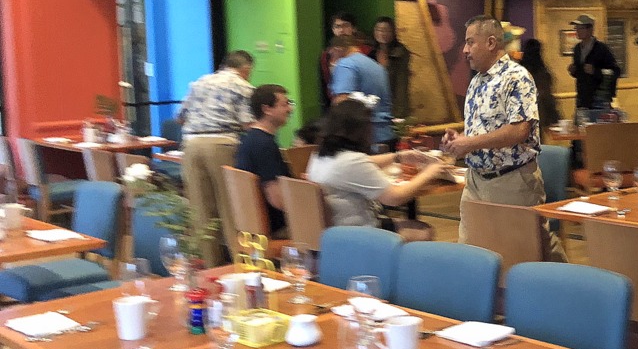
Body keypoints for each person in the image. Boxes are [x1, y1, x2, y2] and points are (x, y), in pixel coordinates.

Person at [442, 16, 566, 262]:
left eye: (470, 42)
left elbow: (519, 130)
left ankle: (567, 282)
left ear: (490, 43)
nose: (465, 50)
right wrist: (460, 139)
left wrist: (469, 143)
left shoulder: (516, 77)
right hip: (475, 182)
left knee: (524, 256)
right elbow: (483, 130)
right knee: (471, 254)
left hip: (511, 180)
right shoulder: (477, 81)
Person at [307, 100, 448, 228]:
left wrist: (398, 157)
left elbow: (364, 162)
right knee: (423, 230)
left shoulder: (319, 155)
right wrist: (429, 173)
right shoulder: (352, 161)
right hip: (359, 232)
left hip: (333, 230)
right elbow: (395, 198)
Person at [179, 50, 255, 266]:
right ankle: (239, 266)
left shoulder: (199, 83)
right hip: (222, 144)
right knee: (230, 208)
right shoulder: (242, 86)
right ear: (245, 68)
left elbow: (180, 117)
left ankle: (211, 267)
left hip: (191, 145)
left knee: (201, 211)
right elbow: (248, 124)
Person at [234, 84, 293, 238]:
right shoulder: (265, 145)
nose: (290, 109)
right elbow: (276, 199)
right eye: (285, 104)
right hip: (277, 229)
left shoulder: (249, 139)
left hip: (253, 227)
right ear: (267, 109)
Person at [329, 34, 395, 149]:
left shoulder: (346, 65)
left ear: (337, 49)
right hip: (386, 134)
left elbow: (342, 102)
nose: (332, 59)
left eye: (332, 54)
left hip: (362, 138)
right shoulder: (378, 67)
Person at [566, 14, 621, 110]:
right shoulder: (577, 49)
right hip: (583, 98)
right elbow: (580, 74)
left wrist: (595, 71)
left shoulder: (601, 48)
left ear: (590, 30)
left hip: (599, 98)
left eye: (580, 28)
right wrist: (573, 71)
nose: (577, 31)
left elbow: (615, 71)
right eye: (576, 28)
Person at [319, 12, 371, 109]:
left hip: (360, 105)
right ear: (333, 29)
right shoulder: (327, 55)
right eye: (337, 27)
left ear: (353, 28)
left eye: (345, 26)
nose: (341, 30)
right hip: (336, 105)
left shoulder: (366, 52)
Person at [518, 38, 561, 137]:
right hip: (539, 111)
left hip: (521, 113)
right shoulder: (542, 71)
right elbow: (546, 95)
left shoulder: (519, 71)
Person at [370, 16, 411, 118]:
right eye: (379, 30)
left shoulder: (400, 52)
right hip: (374, 103)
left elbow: (401, 85)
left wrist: (399, 113)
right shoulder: (371, 52)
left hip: (393, 104)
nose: (382, 33)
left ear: (393, 32)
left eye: (386, 30)